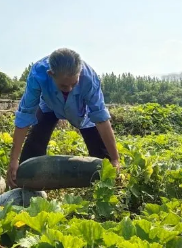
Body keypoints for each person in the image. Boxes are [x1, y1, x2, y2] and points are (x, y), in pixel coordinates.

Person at [6, 48, 120, 187]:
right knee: (35, 142)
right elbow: (25, 115)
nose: (70, 89)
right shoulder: (38, 74)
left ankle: (106, 186)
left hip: (82, 113)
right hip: (49, 106)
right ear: (50, 74)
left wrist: (115, 159)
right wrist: (14, 160)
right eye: (63, 85)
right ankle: (24, 183)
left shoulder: (90, 79)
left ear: (80, 73)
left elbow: (101, 117)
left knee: (104, 160)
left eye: (74, 83)